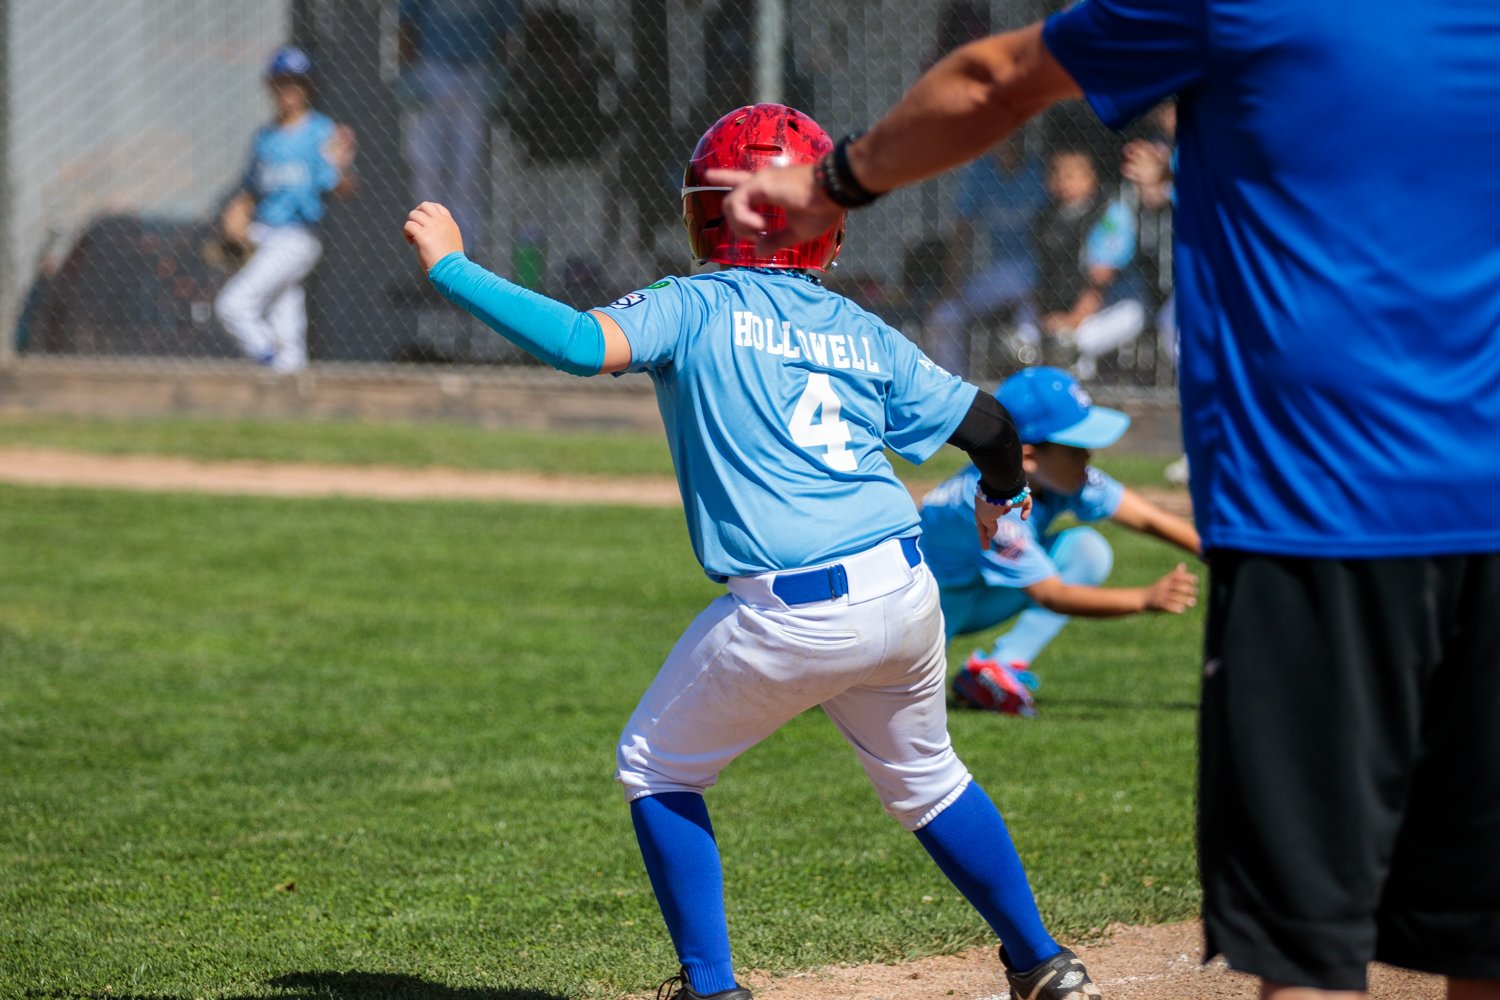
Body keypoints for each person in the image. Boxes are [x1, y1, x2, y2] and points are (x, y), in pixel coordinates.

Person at [706, 5, 1500, 999]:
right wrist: (1146, 595)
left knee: (1308, 939)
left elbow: (999, 78)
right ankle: (1000, 672)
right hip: (1467, 492)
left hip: (1321, 511)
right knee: (1483, 930)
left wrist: (833, 183)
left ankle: (1000, 674)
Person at [403, 104, 1102, 1000]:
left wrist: (453, 267)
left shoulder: (693, 304)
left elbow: (580, 344)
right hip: (903, 592)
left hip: (794, 609)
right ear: (824, 221)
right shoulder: (861, 328)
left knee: (656, 765)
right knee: (927, 782)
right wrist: (1002, 497)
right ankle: (1042, 962)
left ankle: (712, 989)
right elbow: (994, 426)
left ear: (709, 214)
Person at [919, 366, 1199, 717]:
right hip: (925, 610)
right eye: (1075, 447)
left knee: (1086, 549)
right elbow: (1051, 595)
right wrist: (1144, 599)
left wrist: (1221, 552)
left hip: (976, 591)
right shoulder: (986, 504)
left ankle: (996, 671)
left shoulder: (1059, 476)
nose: (1088, 456)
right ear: (1029, 457)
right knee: (898, 698)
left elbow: (1147, 517)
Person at [215, 46, 356, 373]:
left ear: (307, 86)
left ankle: (270, 359)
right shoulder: (265, 138)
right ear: (270, 85)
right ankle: (290, 376)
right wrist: (236, 213)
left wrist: (342, 167)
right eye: (282, 82)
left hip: (297, 237)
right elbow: (251, 190)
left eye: (296, 82)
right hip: (263, 235)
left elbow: (343, 189)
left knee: (233, 306)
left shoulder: (320, 131)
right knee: (287, 323)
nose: (288, 89)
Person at [398, 0, 520, 260]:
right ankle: (428, 251)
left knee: (468, 169)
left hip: (478, 70)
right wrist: (408, 71)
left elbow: (506, 31)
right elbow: (406, 23)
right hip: (432, 70)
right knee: (427, 167)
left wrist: (501, 74)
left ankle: (465, 253)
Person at [920, 132, 1048, 378]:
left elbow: (1058, 231)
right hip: (1000, 272)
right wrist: (951, 286)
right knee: (944, 317)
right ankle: (952, 388)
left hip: (1037, 271)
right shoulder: (981, 172)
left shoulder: (1039, 172)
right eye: (1001, 137)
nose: (1007, 144)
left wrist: (1047, 286)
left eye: (1014, 136)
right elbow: (962, 232)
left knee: (1027, 333)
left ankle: (1030, 390)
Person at [1030, 146, 1144, 382]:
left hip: (1115, 304)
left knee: (1075, 342)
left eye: (1071, 174)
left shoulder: (1112, 214)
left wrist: (1070, 322)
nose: (1062, 181)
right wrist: (1048, 319)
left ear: (1091, 178)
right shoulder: (1046, 216)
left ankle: (1081, 395)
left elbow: (1101, 280)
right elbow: (1041, 276)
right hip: (1064, 307)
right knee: (1029, 339)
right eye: (1055, 173)